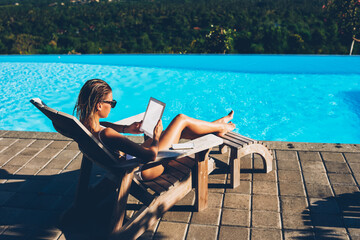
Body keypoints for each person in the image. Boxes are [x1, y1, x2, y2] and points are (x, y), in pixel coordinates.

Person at [74, 79, 235, 181]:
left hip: (130, 162)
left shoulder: (83, 126)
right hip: (144, 169)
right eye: (112, 102)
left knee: (177, 129)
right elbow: (150, 156)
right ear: (99, 105)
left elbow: (106, 125)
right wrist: (157, 137)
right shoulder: (108, 135)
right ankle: (220, 126)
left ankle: (215, 126)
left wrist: (127, 128)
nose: (113, 106)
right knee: (180, 119)